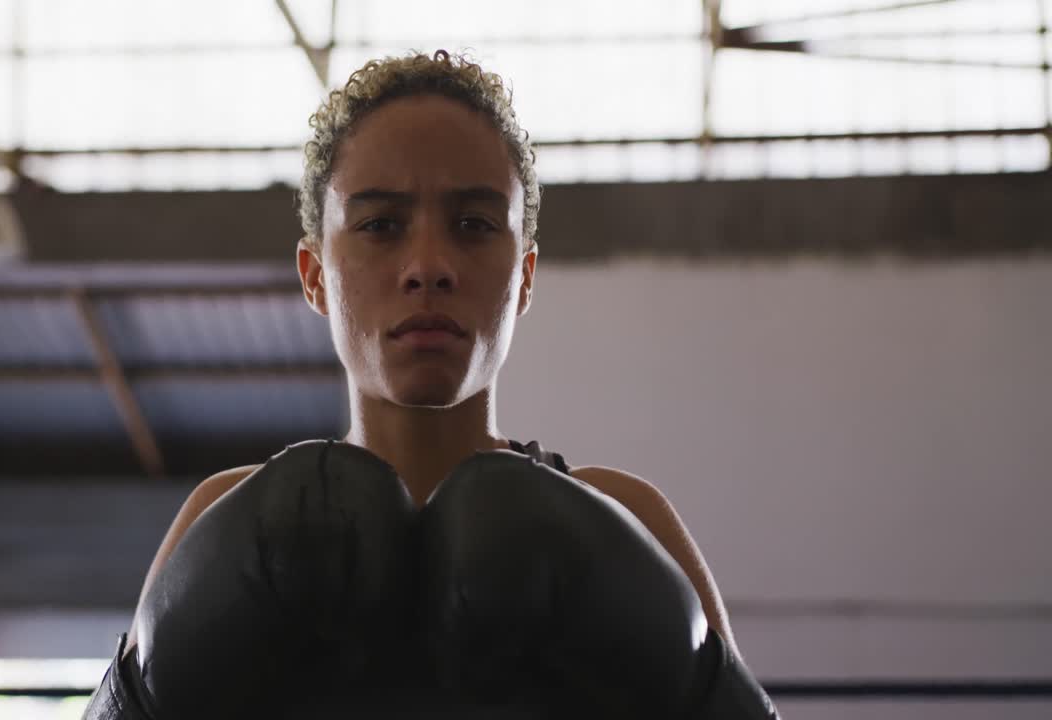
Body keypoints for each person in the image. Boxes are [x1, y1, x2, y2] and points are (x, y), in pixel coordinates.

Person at [84, 50, 776, 719]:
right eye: (380, 225)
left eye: (474, 225)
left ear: (524, 277)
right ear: (315, 276)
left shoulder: (626, 515)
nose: (428, 265)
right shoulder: (224, 514)